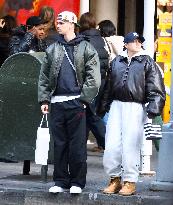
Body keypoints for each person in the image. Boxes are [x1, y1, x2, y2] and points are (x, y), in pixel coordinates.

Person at [38, 11, 101, 194]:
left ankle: (77, 182)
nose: (58, 25)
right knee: (59, 143)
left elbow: (94, 78)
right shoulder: (53, 47)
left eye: (62, 22)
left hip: (76, 101)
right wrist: (44, 99)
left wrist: (83, 99)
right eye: (58, 22)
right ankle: (60, 180)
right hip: (57, 101)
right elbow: (44, 76)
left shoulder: (86, 48)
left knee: (77, 145)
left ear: (72, 24)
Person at [98, 32, 166, 196]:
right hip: (116, 105)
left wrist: (153, 109)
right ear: (125, 44)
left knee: (131, 145)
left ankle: (130, 181)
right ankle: (114, 179)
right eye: (133, 41)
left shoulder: (147, 61)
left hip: (136, 107)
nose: (137, 43)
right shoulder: (116, 62)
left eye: (138, 41)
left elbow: (156, 88)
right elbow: (108, 86)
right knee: (112, 145)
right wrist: (103, 106)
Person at [79, 12, 108, 152]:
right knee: (88, 114)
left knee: (89, 114)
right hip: (100, 82)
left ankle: (108, 144)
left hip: (87, 83)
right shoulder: (101, 39)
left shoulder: (82, 39)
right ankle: (81, 147)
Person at [97, 19, 124, 124]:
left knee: (106, 107)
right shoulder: (124, 41)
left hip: (111, 80)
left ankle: (107, 134)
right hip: (125, 82)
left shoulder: (105, 42)